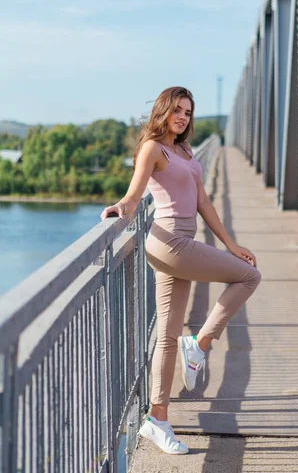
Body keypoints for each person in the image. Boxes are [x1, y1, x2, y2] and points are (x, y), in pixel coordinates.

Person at [100, 86, 261, 455]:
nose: (183, 117)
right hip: (170, 242)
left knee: (169, 335)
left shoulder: (186, 150)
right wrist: (119, 209)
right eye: (177, 110)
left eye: (188, 112)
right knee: (249, 276)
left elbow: (203, 201)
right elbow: (134, 195)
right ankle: (200, 344)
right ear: (163, 111)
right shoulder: (152, 149)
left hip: (183, 243)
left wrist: (231, 244)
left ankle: (157, 419)